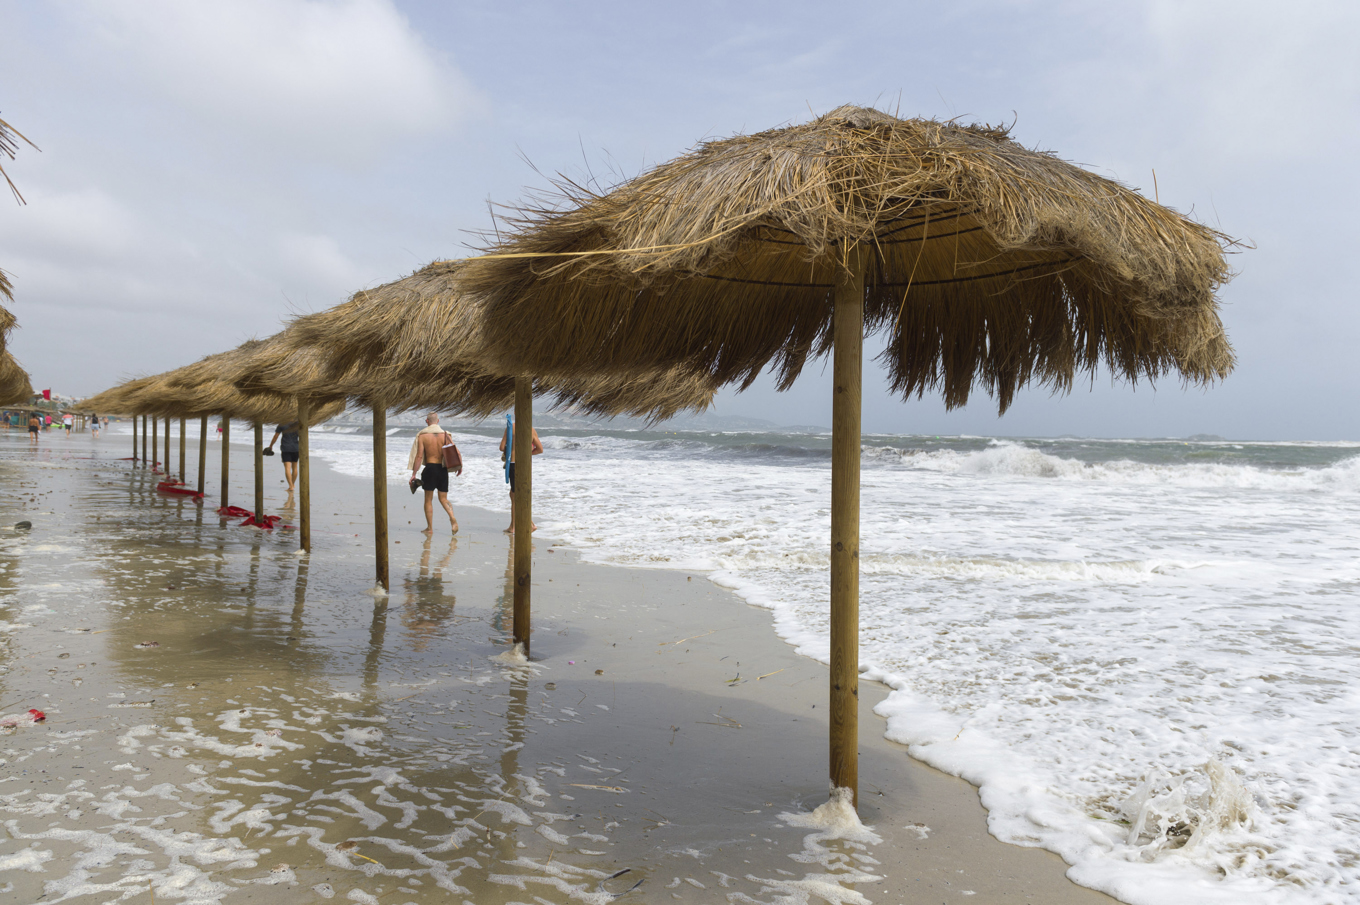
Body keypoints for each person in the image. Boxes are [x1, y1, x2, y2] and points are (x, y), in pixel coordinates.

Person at [407, 412, 459, 535]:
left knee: (428, 500)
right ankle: (452, 517)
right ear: (438, 421)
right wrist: (459, 466)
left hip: (430, 469)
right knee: (443, 498)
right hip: (442, 470)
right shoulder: (445, 435)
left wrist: (414, 474)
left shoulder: (422, 436)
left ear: (427, 421)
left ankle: (429, 528)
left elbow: (419, 456)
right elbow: (454, 451)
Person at [498, 414, 543, 533]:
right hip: (526, 466)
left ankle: (519, 526)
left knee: (515, 496)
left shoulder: (510, 428)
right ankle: (519, 524)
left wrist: (511, 449)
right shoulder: (531, 430)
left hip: (514, 464)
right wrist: (526, 454)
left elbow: (502, 447)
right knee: (518, 495)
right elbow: (540, 449)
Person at [266, 422, 300, 491]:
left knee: (287, 468)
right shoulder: (297, 424)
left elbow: (276, 436)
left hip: (286, 448)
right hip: (296, 448)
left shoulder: (282, 424)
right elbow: (302, 436)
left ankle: (291, 486)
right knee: (295, 468)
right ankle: (292, 484)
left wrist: (271, 445)